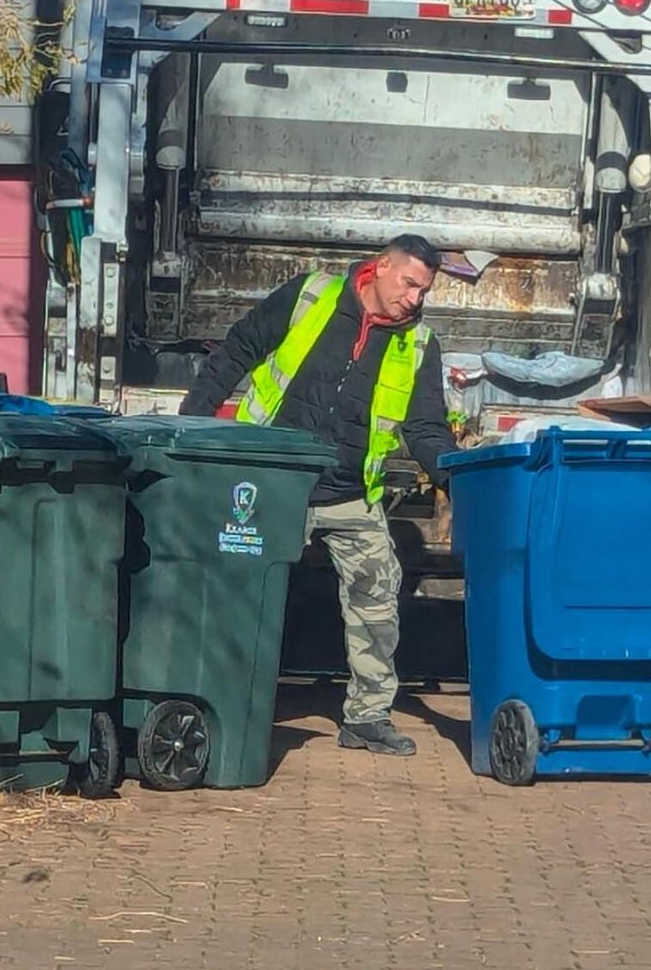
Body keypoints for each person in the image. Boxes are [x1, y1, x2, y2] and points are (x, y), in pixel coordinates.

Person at [180, 234, 457, 756]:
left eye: (425, 290)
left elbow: (425, 428)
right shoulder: (312, 295)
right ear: (380, 268)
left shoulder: (420, 345)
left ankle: (367, 718)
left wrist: (455, 477)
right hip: (270, 480)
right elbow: (240, 347)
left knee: (378, 597)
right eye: (410, 284)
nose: (416, 299)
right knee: (238, 592)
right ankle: (219, 701)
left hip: (348, 493)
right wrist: (192, 423)